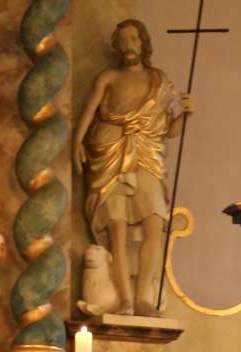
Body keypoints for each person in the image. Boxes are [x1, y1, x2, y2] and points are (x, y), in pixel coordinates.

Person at [71, 19, 194, 315]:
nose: (128, 46)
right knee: (117, 228)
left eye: (134, 40)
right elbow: (89, 110)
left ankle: (142, 299)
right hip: (111, 148)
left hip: (147, 154)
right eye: (123, 40)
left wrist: (186, 114)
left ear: (143, 44)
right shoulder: (109, 77)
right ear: (117, 46)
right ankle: (124, 299)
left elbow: (167, 130)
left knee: (153, 223)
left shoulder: (158, 80)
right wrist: (76, 142)